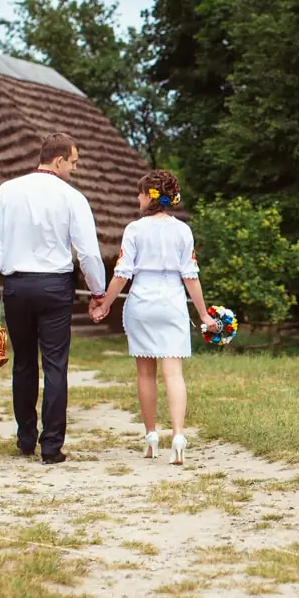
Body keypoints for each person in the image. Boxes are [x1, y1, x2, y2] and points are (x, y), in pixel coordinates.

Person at [0, 133, 108, 465]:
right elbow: (88, 253)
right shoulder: (73, 197)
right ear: (58, 161)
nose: (75, 169)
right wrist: (98, 292)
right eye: (73, 162)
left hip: (17, 287)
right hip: (54, 288)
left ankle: (25, 439)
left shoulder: (8, 190)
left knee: (24, 363)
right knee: (56, 364)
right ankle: (51, 447)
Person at [91, 170, 216, 465]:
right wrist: (203, 313)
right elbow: (191, 276)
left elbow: (122, 274)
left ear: (149, 196)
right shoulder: (183, 231)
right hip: (172, 303)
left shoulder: (134, 229)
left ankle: (151, 437)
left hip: (142, 304)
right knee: (174, 374)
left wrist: (104, 304)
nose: (138, 198)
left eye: (140, 193)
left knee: (145, 373)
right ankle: (179, 437)